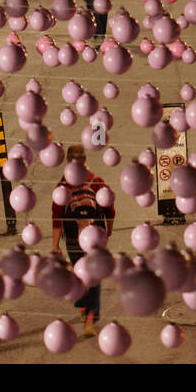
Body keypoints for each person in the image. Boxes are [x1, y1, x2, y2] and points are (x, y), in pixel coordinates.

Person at [51, 144, 115, 337]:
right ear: (85, 159)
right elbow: (109, 209)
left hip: (72, 238)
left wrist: (55, 244)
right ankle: (89, 319)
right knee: (93, 276)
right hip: (96, 237)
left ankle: (84, 311)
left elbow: (57, 217)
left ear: (68, 161)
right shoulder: (96, 181)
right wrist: (108, 231)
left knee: (80, 272)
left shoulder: (62, 187)